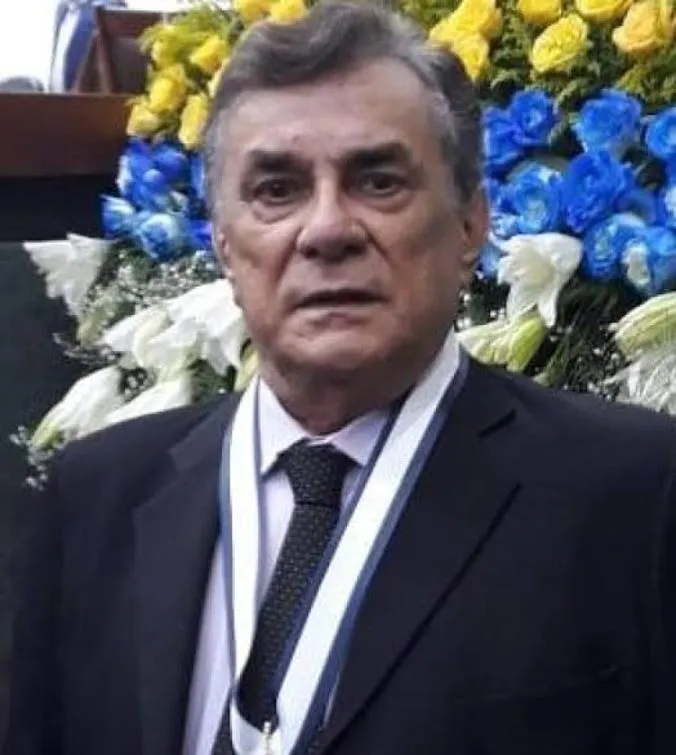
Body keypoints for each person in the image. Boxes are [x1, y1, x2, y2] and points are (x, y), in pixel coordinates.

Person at [6, 2, 676, 754]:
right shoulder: (96, 495)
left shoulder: (637, 495)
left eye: (379, 181)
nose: (327, 229)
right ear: (223, 244)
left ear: (471, 225)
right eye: (276, 190)